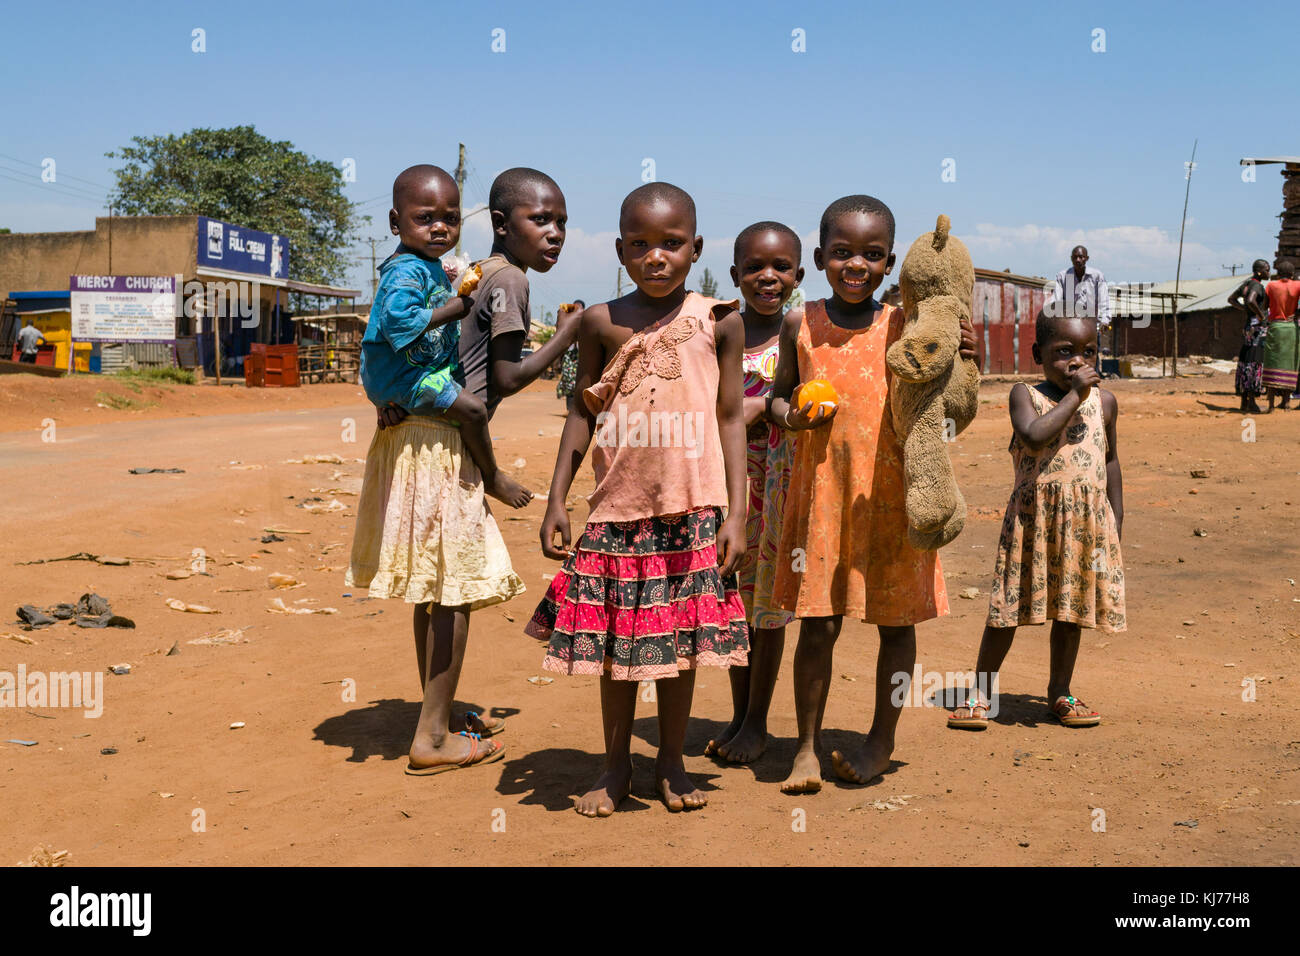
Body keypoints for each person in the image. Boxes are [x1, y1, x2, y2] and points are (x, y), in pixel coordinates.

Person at [526, 182, 749, 816]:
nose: (657, 257)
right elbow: (581, 413)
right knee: (613, 650)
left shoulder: (718, 319)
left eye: (672, 244)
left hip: (693, 510)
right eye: (642, 245)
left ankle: (671, 762)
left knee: (681, 648)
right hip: (619, 511)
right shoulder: (599, 321)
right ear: (621, 249)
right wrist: (557, 501)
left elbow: (731, 417)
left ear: (696, 247)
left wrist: (737, 511)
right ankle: (616, 763)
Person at [349, 166, 579, 775]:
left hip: (416, 432)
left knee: (432, 588)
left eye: (561, 222)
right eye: (541, 220)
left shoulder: (464, 271)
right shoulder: (505, 283)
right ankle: (431, 738)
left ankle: (440, 715)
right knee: (453, 592)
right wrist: (570, 335)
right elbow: (503, 379)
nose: (554, 233)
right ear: (504, 225)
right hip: (445, 442)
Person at [767, 195, 978, 792]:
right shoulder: (799, 322)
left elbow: (953, 405)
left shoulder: (905, 326)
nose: (855, 265)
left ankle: (881, 741)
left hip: (892, 498)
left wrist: (969, 358)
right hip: (824, 499)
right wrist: (791, 416)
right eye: (842, 253)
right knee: (818, 626)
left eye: (872, 255)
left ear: (889, 266)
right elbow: (778, 397)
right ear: (819, 258)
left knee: (896, 625)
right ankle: (805, 748)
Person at [947, 311, 1124, 731]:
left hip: (1085, 525)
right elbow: (1033, 435)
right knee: (1007, 609)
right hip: (1034, 522)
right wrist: (1074, 397)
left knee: (1070, 610)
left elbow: (1112, 460)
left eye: (1088, 352)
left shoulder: (1107, 402)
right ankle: (980, 693)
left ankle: (1059, 692)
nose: (1078, 363)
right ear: (1037, 354)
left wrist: (1116, 518)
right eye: (1065, 353)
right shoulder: (1024, 394)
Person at [358, 164, 530, 509]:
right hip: (404, 376)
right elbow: (398, 322)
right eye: (425, 219)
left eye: (451, 220)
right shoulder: (406, 270)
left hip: (403, 373)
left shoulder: (424, 263)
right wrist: (453, 309)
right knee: (474, 409)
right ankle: (493, 476)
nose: (439, 228)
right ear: (395, 223)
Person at [707, 221, 803, 764]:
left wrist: (764, 407)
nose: (767, 277)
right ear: (735, 274)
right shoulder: (719, 330)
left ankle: (758, 722)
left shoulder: (801, 332)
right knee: (733, 607)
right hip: (726, 492)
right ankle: (740, 716)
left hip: (779, 489)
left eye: (780, 268)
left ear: (798, 273)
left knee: (767, 610)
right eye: (754, 268)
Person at [1048, 245, 1110, 371]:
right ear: (1071, 259)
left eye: (1081, 257)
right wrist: (1055, 319)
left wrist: (1105, 320)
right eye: (1075, 257)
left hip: (1091, 325)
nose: (1078, 260)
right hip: (1070, 325)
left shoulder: (1097, 276)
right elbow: (1056, 299)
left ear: (1087, 258)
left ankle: (1093, 385)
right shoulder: (1063, 276)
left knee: (1091, 357)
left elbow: (1104, 299)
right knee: (1069, 356)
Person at [1227, 259, 1271, 414]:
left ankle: (1244, 402)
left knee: (1246, 361)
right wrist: (1260, 315)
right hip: (1257, 329)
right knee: (1254, 362)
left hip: (1248, 327)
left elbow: (1231, 299)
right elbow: (1252, 300)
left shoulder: (1246, 284)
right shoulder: (1257, 286)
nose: (1269, 272)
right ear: (1259, 271)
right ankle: (1251, 402)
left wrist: (1245, 310)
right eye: (1267, 269)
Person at [1261, 259, 1300, 412]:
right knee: (1290, 364)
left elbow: (1265, 307)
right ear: (1291, 273)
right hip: (1291, 328)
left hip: (1275, 327)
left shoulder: (1271, 285)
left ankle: (1270, 405)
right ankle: (1287, 403)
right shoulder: (1298, 285)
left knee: (1272, 364)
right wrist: (1296, 313)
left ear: (1278, 273)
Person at [555, 299, 585, 410]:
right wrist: (558, 361)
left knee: (578, 383)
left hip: (579, 357)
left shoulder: (586, 322)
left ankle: (575, 408)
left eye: (579, 307)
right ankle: (569, 409)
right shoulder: (567, 321)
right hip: (568, 356)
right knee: (569, 383)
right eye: (574, 307)